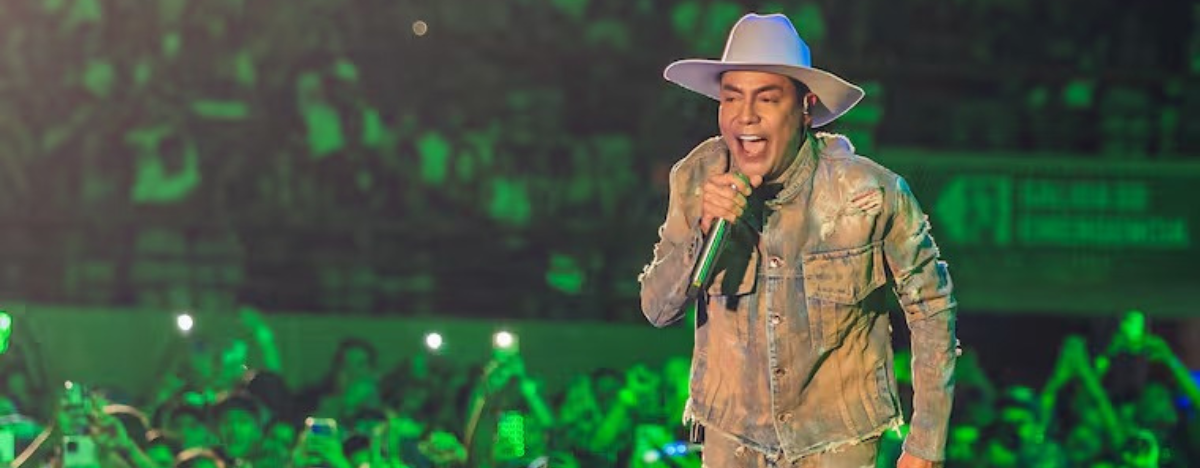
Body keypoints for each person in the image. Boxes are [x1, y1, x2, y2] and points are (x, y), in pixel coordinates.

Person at [638, 13, 958, 468]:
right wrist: (704, 231)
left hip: (836, 439)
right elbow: (656, 308)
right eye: (731, 98)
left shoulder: (871, 194)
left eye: (766, 99)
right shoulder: (696, 178)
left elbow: (932, 309)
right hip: (733, 437)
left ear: (806, 107)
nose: (745, 116)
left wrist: (925, 444)